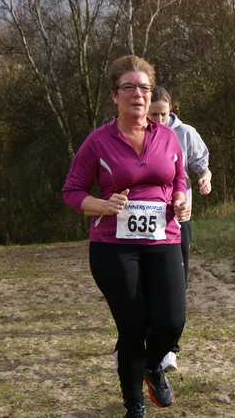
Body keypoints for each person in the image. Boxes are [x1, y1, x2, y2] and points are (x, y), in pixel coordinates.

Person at [62, 55, 189, 418]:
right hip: (113, 247)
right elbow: (71, 191)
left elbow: (178, 178)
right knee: (133, 325)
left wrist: (180, 198)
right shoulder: (98, 141)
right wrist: (102, 205)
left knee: (171, 322)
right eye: (129, 87)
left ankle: (152, 366)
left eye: (144, 88)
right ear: (114, 96)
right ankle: (133, 403)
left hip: (163, 238)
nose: (138, 94)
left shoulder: (166, 136)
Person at [148, 85, 212, 371]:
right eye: (154, 115)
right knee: (148, 284)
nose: (159, 120)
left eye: (163, 114)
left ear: (171, 110)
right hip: (147, 220)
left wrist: (205, 179)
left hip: (178, 219)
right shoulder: (137, 132)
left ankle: (169, 348)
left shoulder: (185, 133)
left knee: (178, 282)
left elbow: (203, 165)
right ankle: (148, 340)